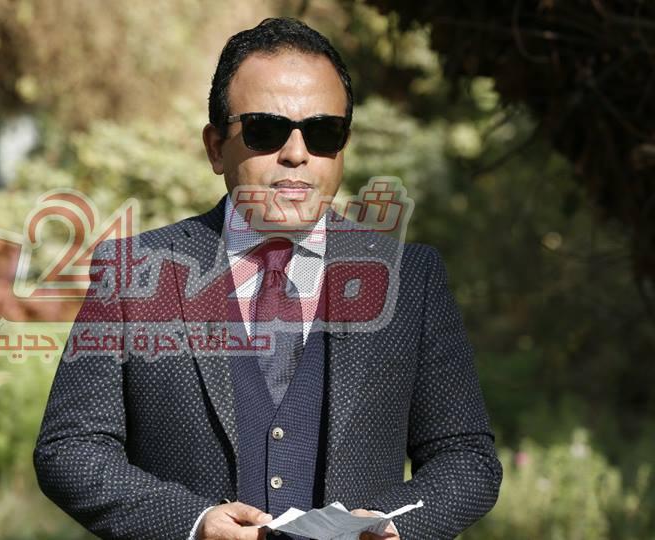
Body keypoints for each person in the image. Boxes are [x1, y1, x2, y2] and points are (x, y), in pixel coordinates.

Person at [34, 17, 502, 540]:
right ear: (216, 147)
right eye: (265, 129)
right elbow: (69, 449)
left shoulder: (410, 277)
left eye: (323, 133)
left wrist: (389, 524)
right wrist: (192, 523)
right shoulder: (134, 271)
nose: (297, 153)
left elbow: (467, 459)